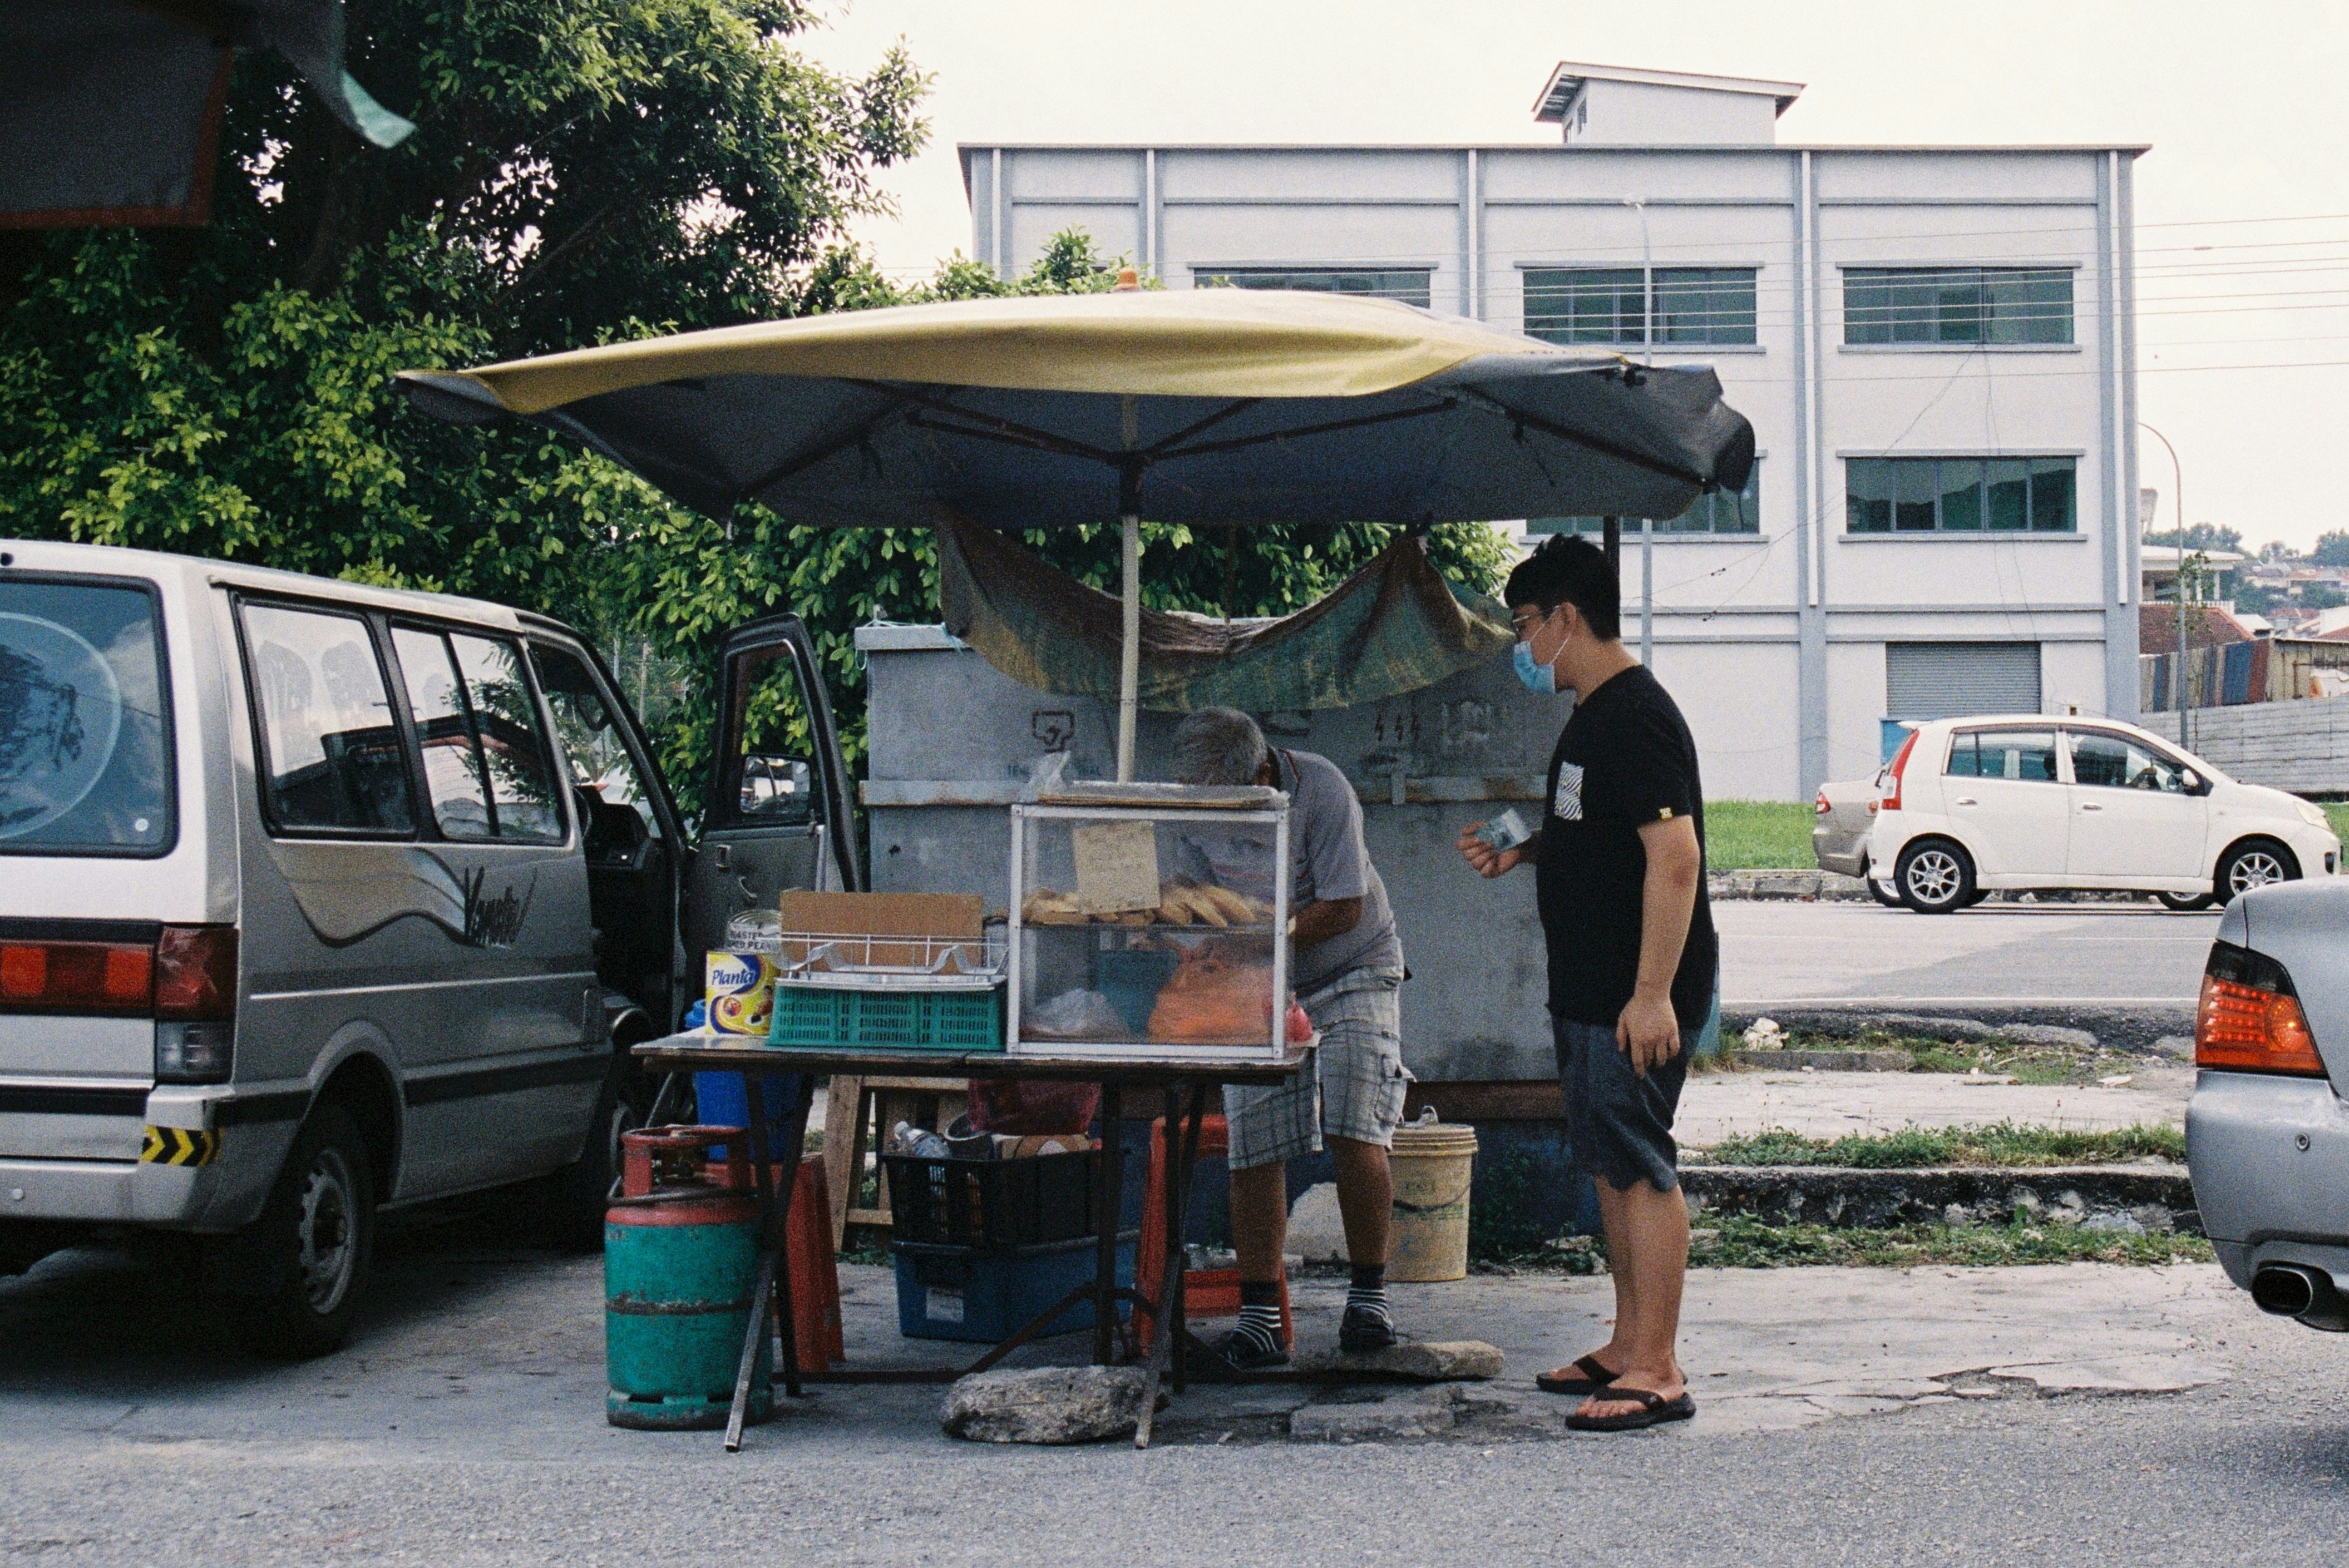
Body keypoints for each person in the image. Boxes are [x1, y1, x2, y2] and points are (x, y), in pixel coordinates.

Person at [1456, 533, 1716, 1433]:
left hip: (1630, 992)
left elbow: (1673, 858)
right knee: (1608, 1159)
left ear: (1567, 618)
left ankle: (1660, 1364)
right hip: (1590, 985)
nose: (1521, 645)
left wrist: (1651, 993)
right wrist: (1522, 849)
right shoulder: (1591, 713)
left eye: (1525, 625)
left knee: (1639, 1161)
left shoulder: (1635, 714)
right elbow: (1595, 832)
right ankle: (1626, 1340)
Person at [1167, 706, 1409, 1367]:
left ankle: (1368, 1297)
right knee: (1255, 1136)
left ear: (1265, 770)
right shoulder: (1196, 808)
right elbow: (1191, 892)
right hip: (1256, 971)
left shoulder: (1322, 788)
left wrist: (1267, 937)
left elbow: (1344, 904)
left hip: (1352, 964)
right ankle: (1260, 1317)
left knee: (1357, 1123)